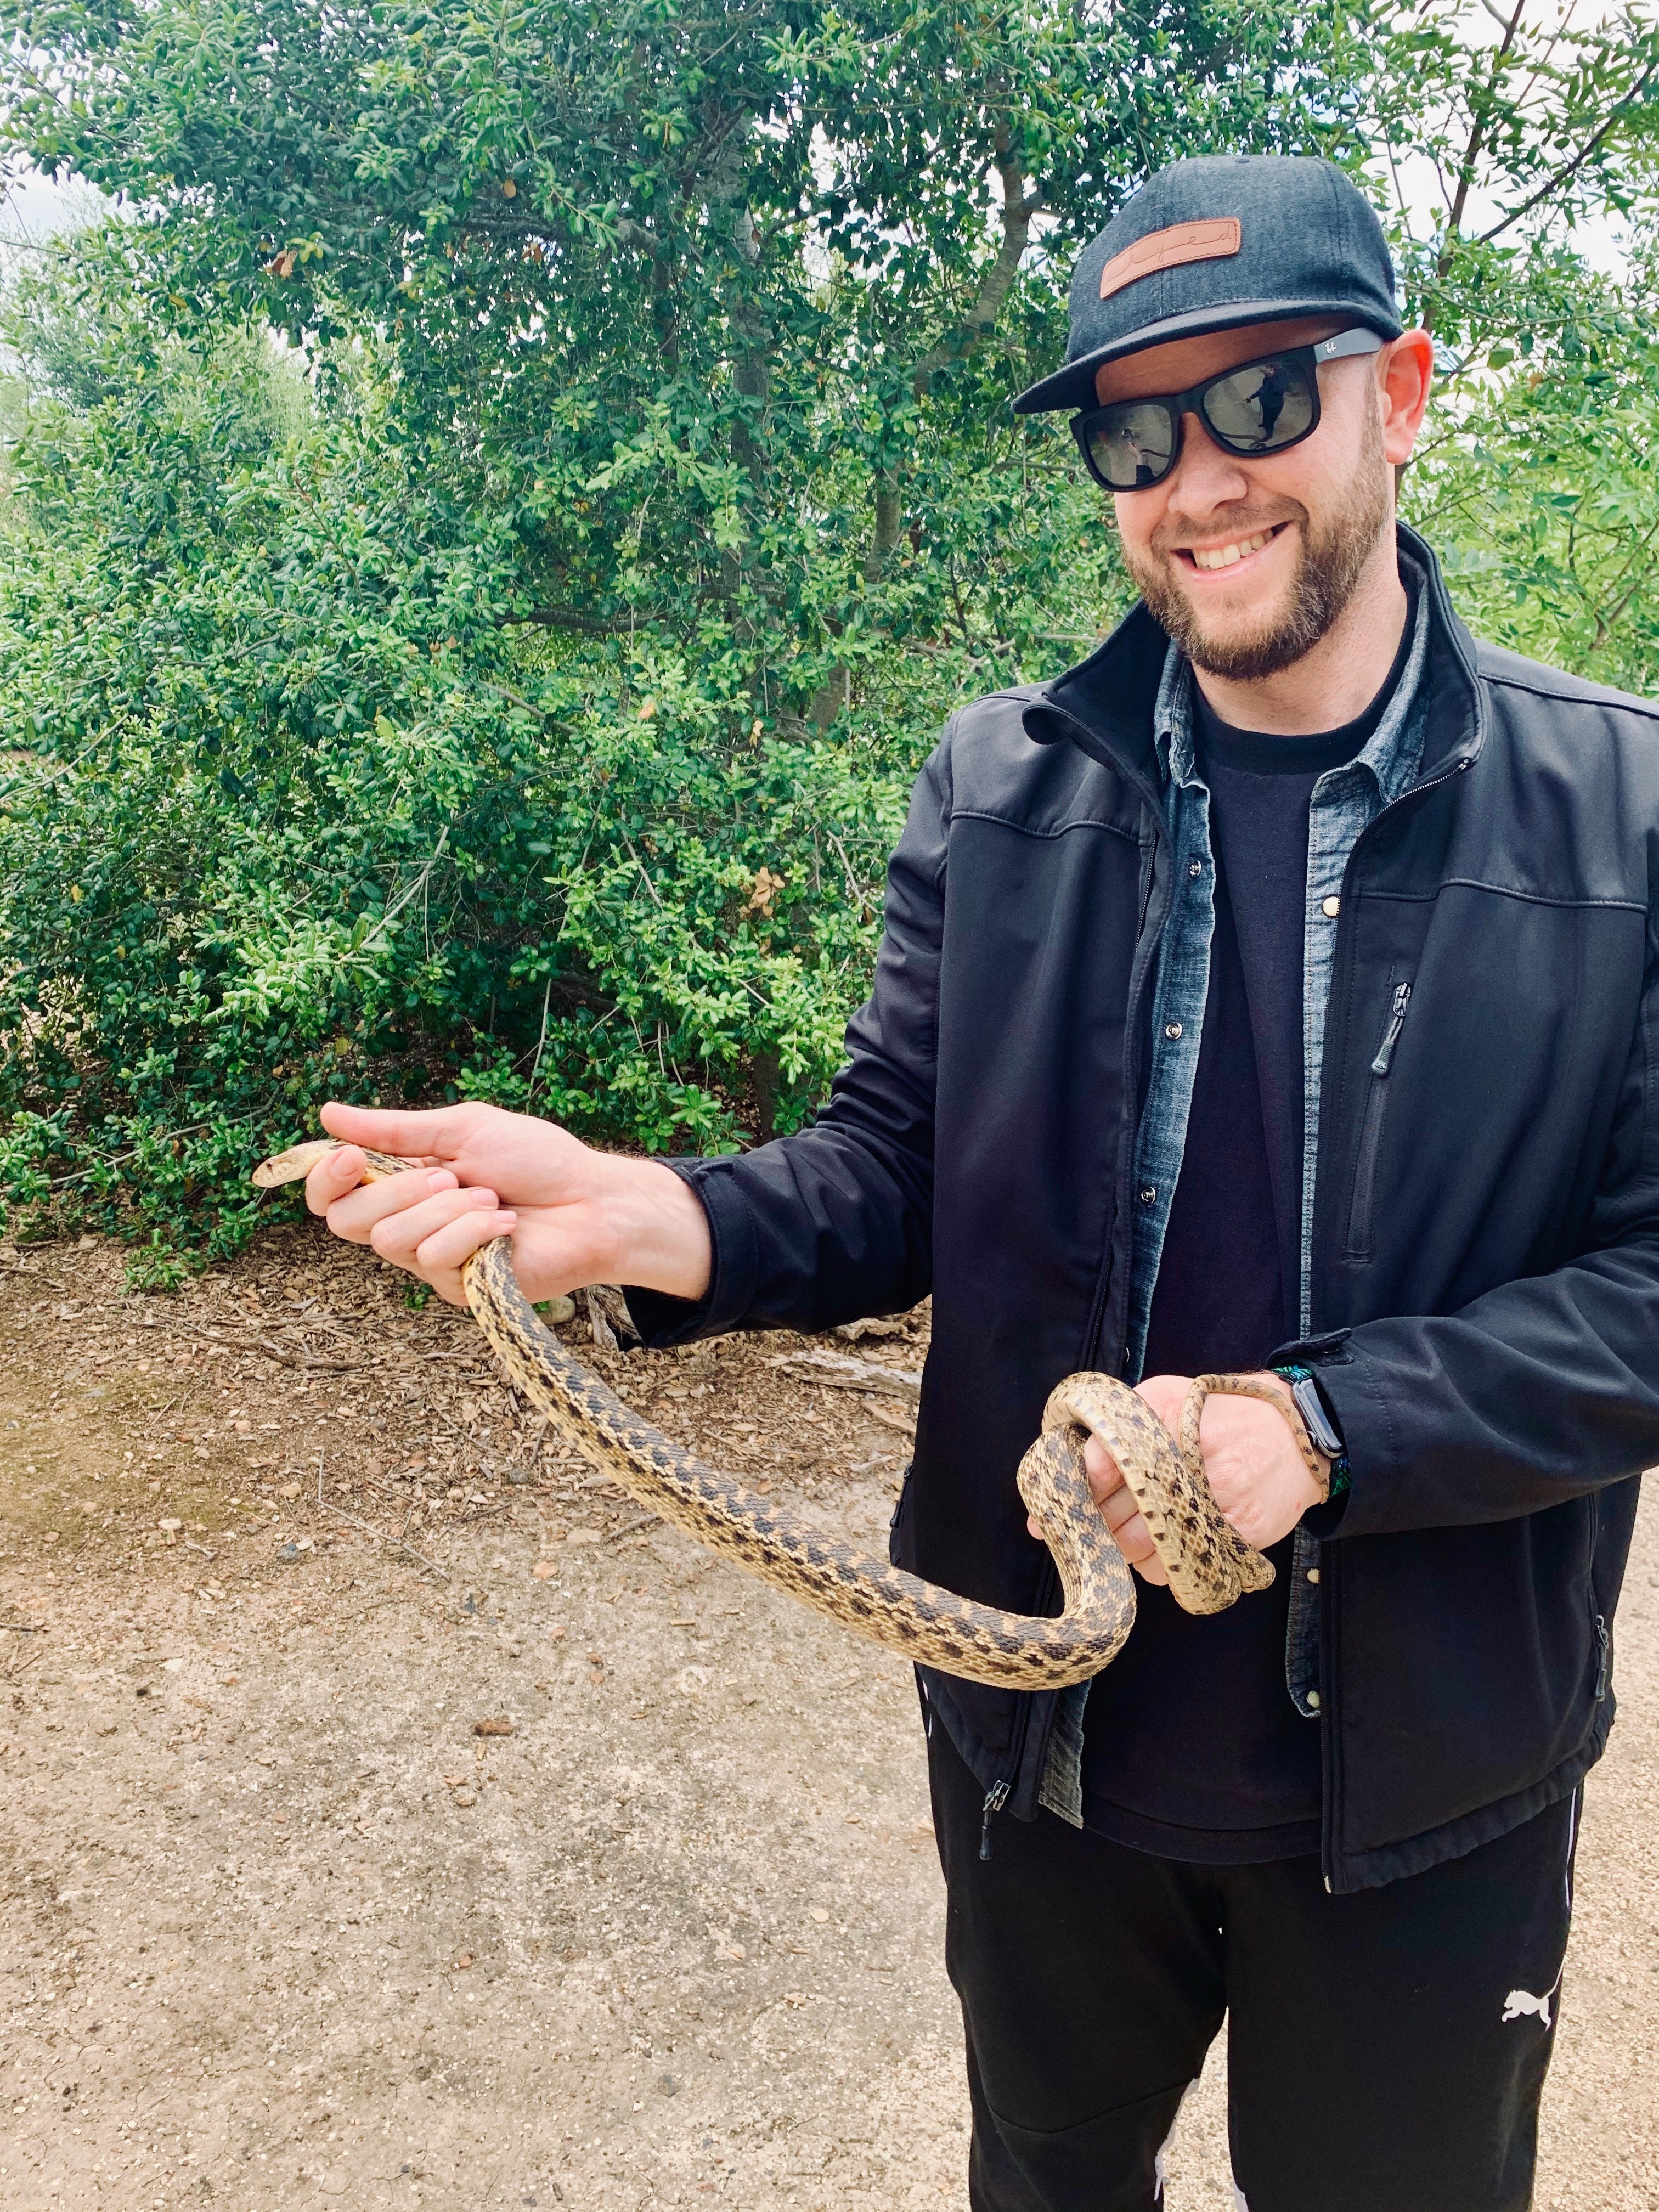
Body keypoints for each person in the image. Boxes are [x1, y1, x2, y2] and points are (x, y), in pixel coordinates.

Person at [301, 155, 1657, 2211]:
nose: (1200, 481)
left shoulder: (1628, 812)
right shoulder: (1004, 783)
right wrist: (636, 1217)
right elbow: (892, 1175)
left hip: (1433, 1791)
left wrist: (1324, 1429)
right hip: (1044, 1748)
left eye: (1264, 401)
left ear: (1404, 388)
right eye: (1137, 429)